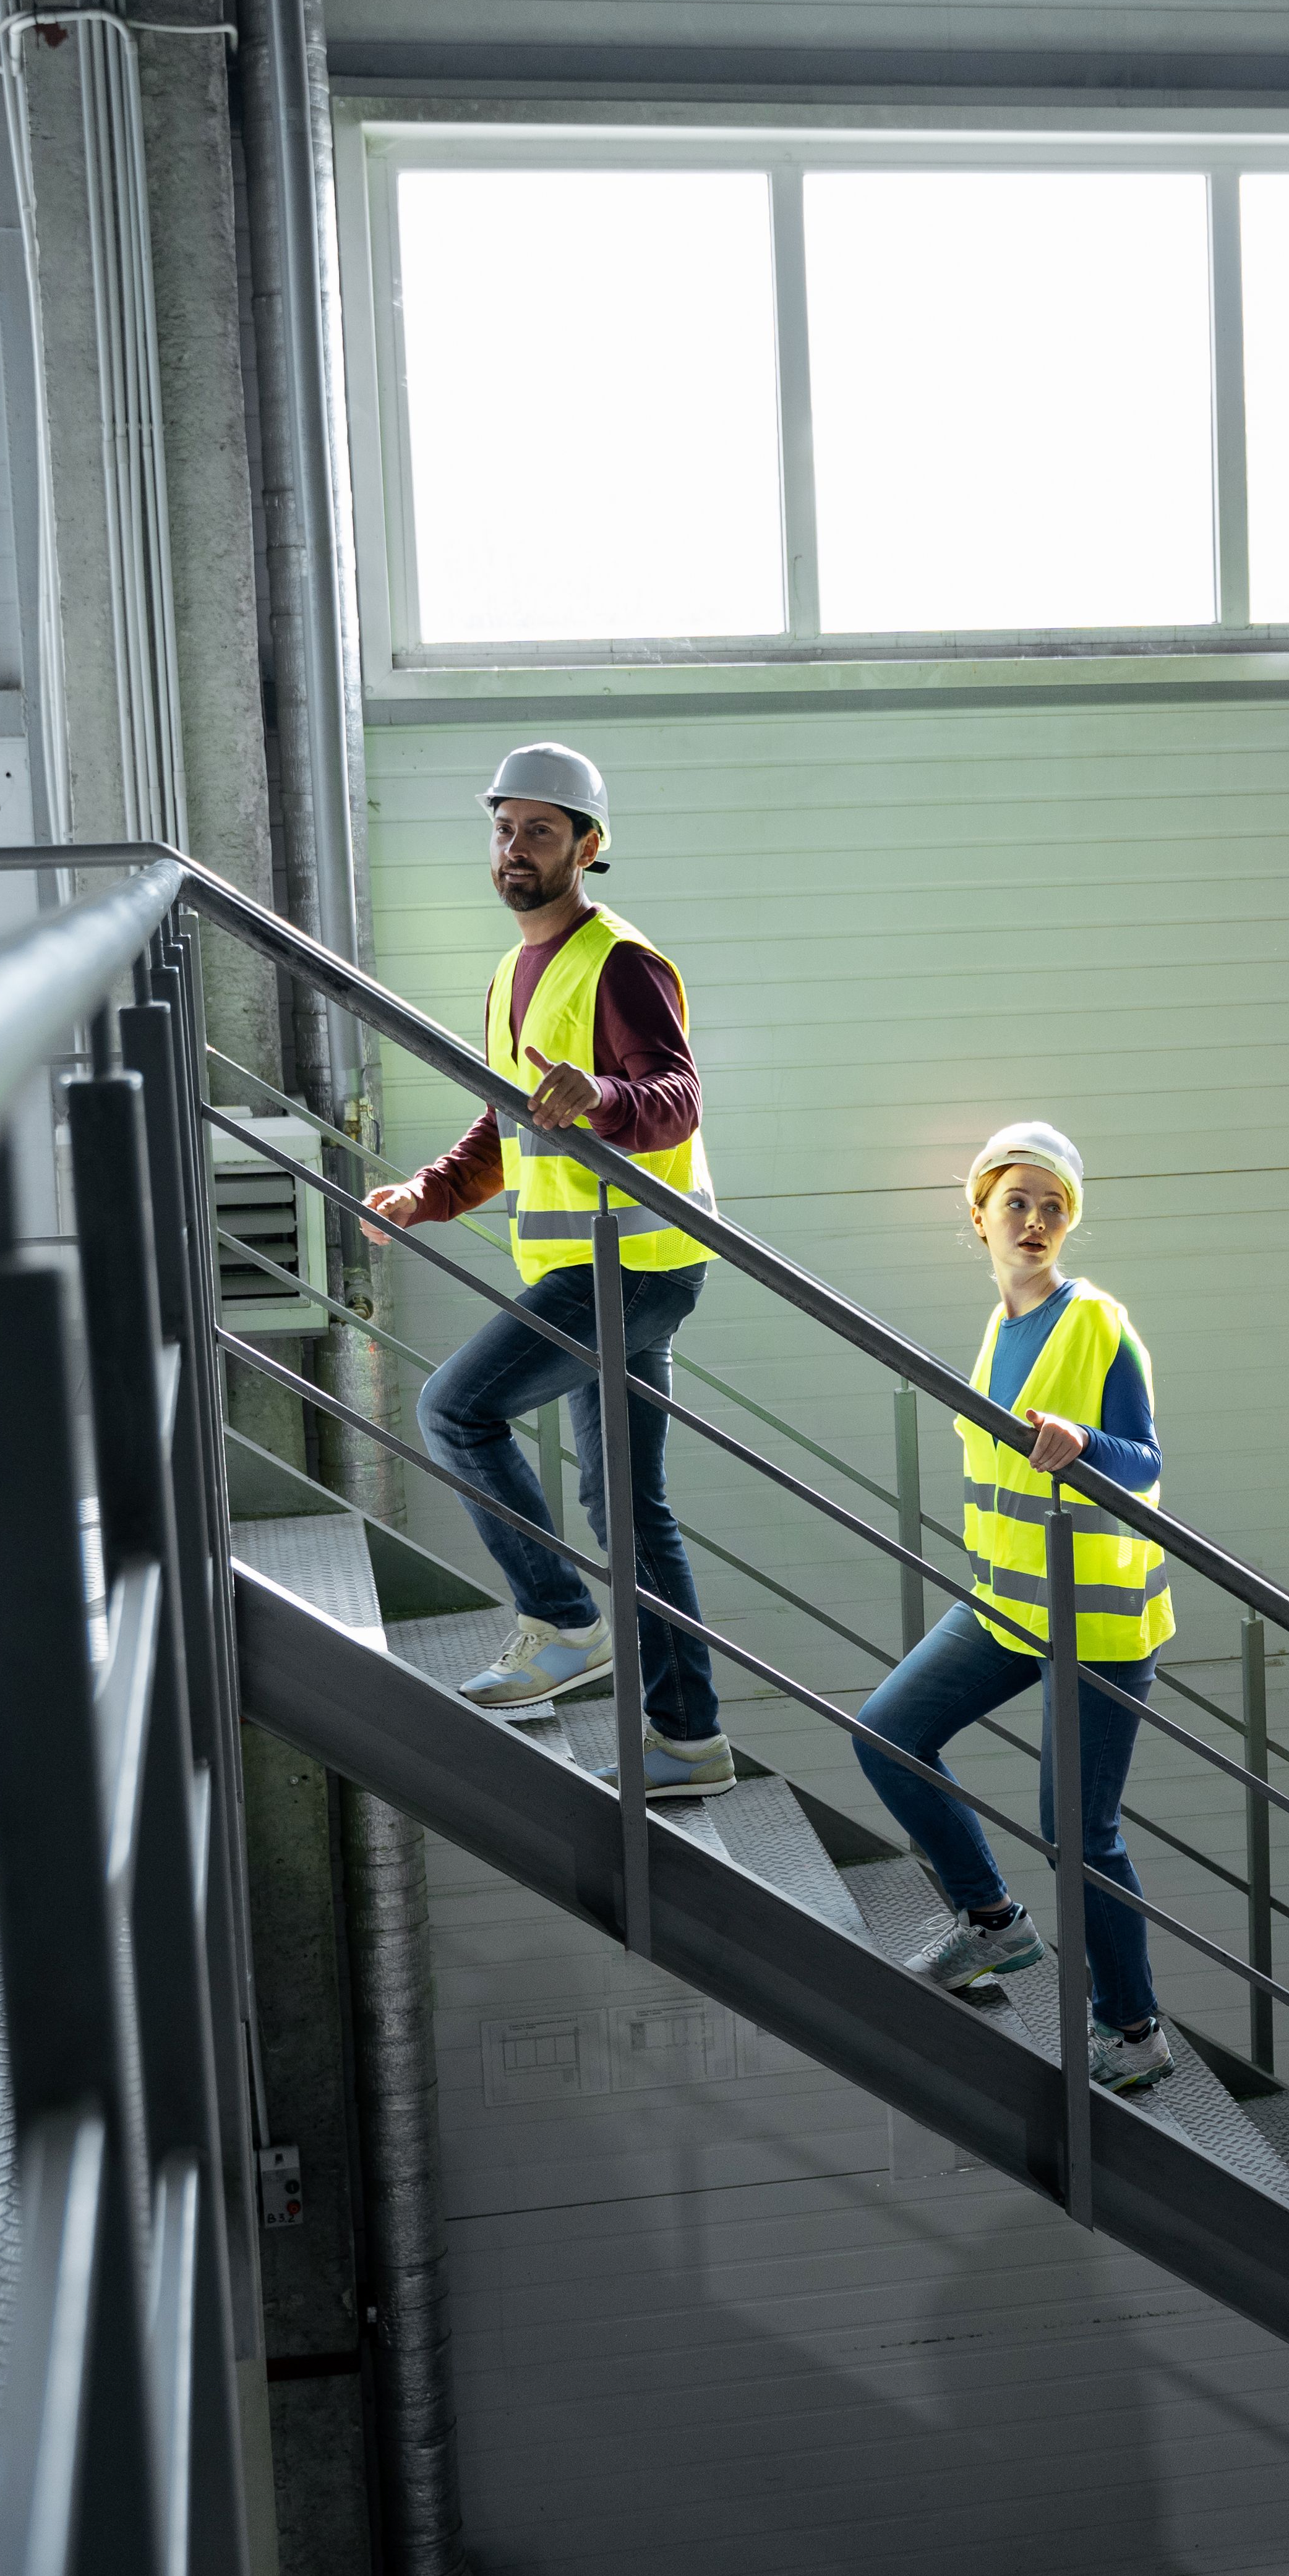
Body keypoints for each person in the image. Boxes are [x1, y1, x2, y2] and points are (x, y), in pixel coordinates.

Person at [366, 742, 732, 1799]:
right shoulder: (511, 972)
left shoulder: (621, 961)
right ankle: (689, 1740)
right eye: (503, 828)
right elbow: (504, 1119)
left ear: (587, 845)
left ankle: (566, 1623)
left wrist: (604, 1099)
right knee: (627, 1509)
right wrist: (426, 1193)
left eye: (538, 830)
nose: (514, 848)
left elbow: (675, 1094)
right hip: (599, 1263)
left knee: (456, 1411)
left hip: (628, 1263)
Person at [855, 1122, 1180, 2096]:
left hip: (1098, 1625)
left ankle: (1134, 2032)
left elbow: (1147, 1460)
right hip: (1008, 1605)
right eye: (1017, 1204)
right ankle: (992, 1924)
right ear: (981, 1216)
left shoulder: (1097, 1321)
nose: (1035, 1222)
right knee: (887, 1734)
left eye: (1052, 1208)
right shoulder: (1000, 1326)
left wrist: (1083, 1442)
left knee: (1079, 1834)